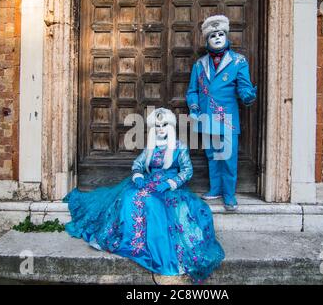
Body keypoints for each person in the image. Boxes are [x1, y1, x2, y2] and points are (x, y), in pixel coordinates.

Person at [63, 108, 225, 284]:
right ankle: (123, 239)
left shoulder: (179, 146)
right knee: (130, 196)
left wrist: (171, 183)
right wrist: (138, 176)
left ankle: (154, 247)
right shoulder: (151, 145)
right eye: (158, 126)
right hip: (149, 182)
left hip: (169, 187)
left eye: (164, 125)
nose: (161, 128)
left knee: (155, 204)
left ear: (170, 127)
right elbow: (138, 164)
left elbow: (187, 171)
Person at [186, 15, 258, 211]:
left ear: (226, 37)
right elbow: (192, 90)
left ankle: (229, 194)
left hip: (227, 118)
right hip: (206, 116)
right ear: (207, 40)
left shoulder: (238, 61)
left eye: (220, 34)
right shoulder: (199, 64)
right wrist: (193, 108)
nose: (217, 37)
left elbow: (244, 87)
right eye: (212, 35)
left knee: (228, 156)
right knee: (212, 155)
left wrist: (248, 96)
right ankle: (215, 189)